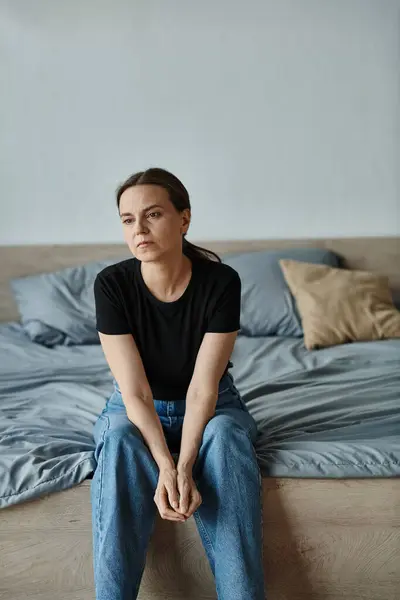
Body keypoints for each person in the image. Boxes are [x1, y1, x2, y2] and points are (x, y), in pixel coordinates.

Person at [90, 167, 266, 600]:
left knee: (224, 437)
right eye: (128, 219)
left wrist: (185, 465)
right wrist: (165, 467)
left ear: (184, 219)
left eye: (153, 215)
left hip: (211, 404)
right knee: (118, 443)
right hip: (134, 406)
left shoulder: (221, 282)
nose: (139, 229)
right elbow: (135, 392)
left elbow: (203, 389)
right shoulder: (111, 285)